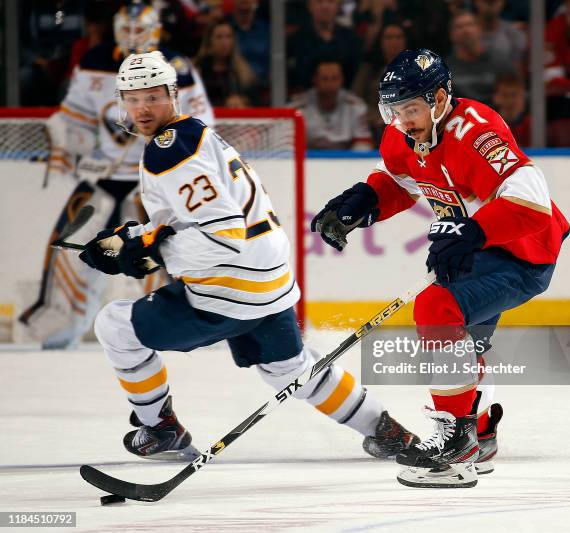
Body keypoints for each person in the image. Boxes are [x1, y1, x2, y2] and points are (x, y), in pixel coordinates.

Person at [77, 50, 420, 462]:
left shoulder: (168, 150)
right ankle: (385, 429)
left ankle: (161, 428)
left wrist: (148, 249)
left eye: (151, 96)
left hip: (230, 286)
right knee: (289, 370)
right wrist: (134, 240)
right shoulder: (197, 136)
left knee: (114, 326)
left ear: (172, 95)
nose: (142, 108)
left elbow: (222, 234)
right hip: (271, 279)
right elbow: (187, 221)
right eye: (132, 98)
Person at [311, 48, 569, 488]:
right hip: (483, 246)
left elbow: (532, 202)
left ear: (439, 98)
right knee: (463, 342)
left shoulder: (476, 131)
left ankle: (456, 446)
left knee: (435, 310)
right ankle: (479, 431)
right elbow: (397, 179)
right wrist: (364, 202)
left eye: (410, 108)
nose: (402, 120)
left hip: (523, 253)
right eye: (393, 110)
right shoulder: (403, 134)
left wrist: (471, 234)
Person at [18, 0, 214, 349]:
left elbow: (200, 126)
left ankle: (196, 327)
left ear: (156, 30)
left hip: (155, 185)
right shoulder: (94, 61)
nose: (133, 37)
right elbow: (74, 117)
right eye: (126, 29)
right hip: (102, 180)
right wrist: (66, 144)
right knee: (71, 250)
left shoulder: (177, 68)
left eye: (140, 30)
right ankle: (59, 328)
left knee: (166, 257)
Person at [290, 57, 374, 150]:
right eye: (325, 79)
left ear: (342, 79)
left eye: (335, 78)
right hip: (309, 160)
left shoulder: (356, 106)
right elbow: (288, 145)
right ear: (315, 79)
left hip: (346, 160)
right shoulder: (297, 108)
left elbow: (363, 144)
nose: (330, 84)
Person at [287, 0, 363, 94]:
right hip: (304, 99)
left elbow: (356, 74)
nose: (325, 6)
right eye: (319, 1)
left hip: (344, 99)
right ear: (309, 6)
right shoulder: (295, 40)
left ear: (338, 6)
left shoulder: (351, 39)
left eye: (330, 2)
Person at [445, 10, 515, 107]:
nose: (465, 30)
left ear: (480, 29)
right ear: (452, 35)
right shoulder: (445, 69)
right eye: (459, 27)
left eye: (470, 25)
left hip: (495, 117)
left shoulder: (500, 63)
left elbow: (514, 95)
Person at [193, 20, 258, 106]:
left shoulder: (244, 73)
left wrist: (244, 101)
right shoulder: (197, 71)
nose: (224, 42)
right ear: (209, 41)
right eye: (219, 37)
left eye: (229, 36)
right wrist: (224, 103)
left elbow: (256, 102)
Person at [492, 73, 531, 147]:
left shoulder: (532, 125)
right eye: (505, 95)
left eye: (514, 95)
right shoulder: (490, 125)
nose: (510, 101)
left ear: (522, 97)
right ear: (496, 97)